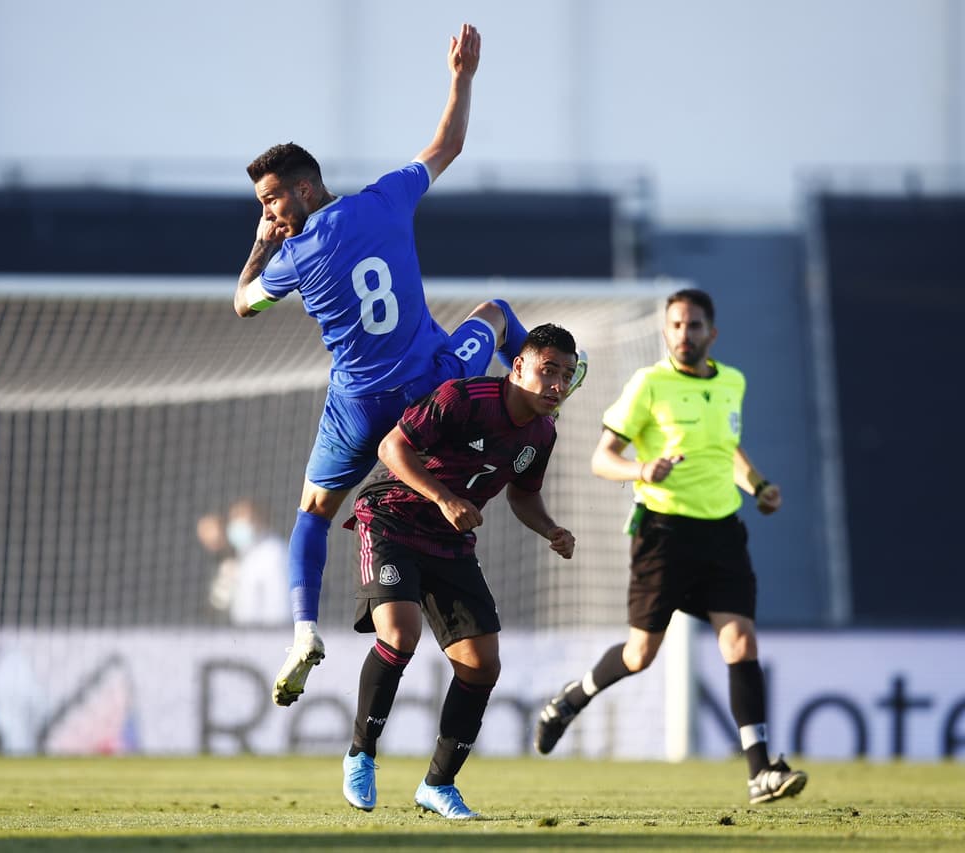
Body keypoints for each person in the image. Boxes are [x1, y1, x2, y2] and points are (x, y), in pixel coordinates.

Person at [234, 24, 583, 707]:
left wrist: (256, 245)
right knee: (494, 313)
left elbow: (244, 304)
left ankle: (303, 629)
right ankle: (538, 393)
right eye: (261, 206)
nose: (270, 211)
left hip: (359, 402)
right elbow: (447, 145)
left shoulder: (293, 259)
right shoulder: (385, 198)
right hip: (433, 379)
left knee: (313, 510)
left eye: (273, 198)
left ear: (306, 189)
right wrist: (462, 77)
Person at [532, 288, 808, 805]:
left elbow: (727, 449)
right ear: (666, 331)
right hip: (664, 534)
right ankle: (569, 701)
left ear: (712, 333)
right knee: (640, 654)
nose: (685, 334)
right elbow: (602, 457)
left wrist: (758, 485)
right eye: (676, 325)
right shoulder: (648, 384)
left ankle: (760, 771)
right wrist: (642, 469)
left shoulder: (732, 382)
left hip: (723, 532)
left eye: (694, 325)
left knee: (741, 641)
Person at [340, 324, 579, 819]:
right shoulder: (462, 398)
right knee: (400, 636)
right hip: (391, 518)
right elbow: (392, 450)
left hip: (449, 542)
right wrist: (446, 497)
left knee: (482, 664)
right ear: (519, 366)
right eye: (548, 370)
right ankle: (361, 753)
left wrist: (551, 529)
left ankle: (438, 784)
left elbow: (524, 494)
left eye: (567, 375)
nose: (557, 384)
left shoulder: (543, 433)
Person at [197, 500, 292, 627]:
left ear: (258, 520)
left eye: (242, 518)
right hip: (243, 633)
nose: (236, 525)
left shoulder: (274, 552)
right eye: (234, 518)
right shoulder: (242, 553)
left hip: (268, 634)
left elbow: (280, 604)